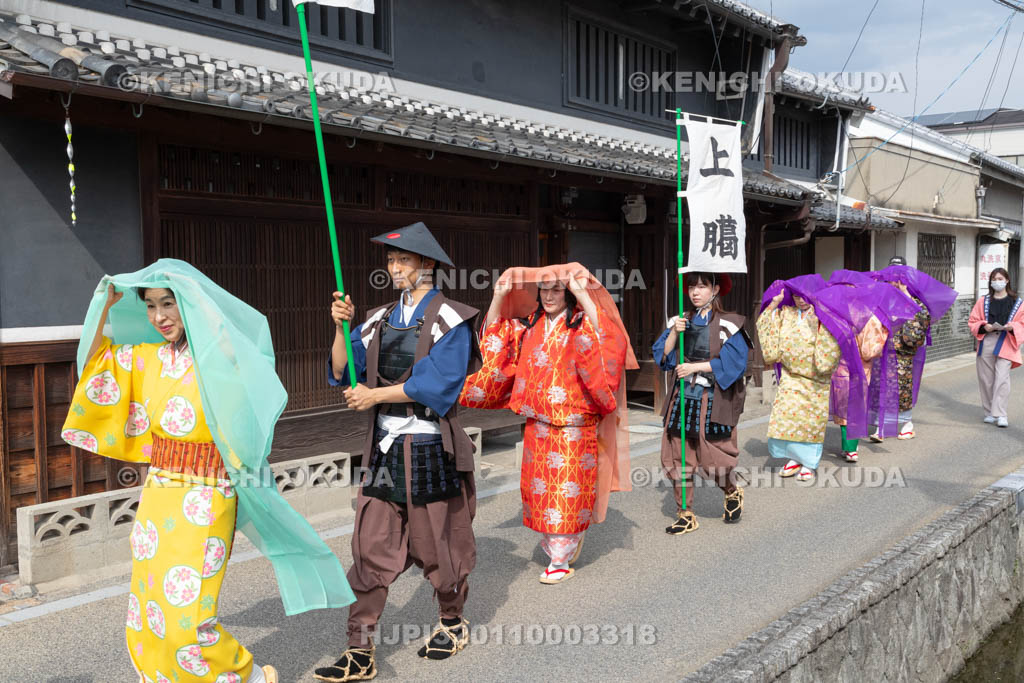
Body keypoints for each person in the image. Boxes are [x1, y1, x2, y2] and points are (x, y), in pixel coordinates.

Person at [62, 259, 356, 683]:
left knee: (189, 612)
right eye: (150, 306)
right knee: (147, 608)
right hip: (159, 489)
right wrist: (104, 307)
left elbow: (253, 384)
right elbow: (94, 365)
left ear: (190, 305)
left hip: (208, 493)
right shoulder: (145, 359)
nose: (159, 316)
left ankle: (248, 675)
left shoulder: (220, 360)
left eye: (170, 303)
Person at [315, 222, 481, 682]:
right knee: (368, 547)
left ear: (427, 265)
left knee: (438, 547)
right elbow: (343, 368)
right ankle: (360, 649)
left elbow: (438, 385)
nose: (395, 268)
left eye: (404, 260)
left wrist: (374, 397)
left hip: (428, 446)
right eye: (390, 261)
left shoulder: (454, 318)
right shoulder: (377, 318)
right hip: (384, 451)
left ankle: (451, 621)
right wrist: (340, 327)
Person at [460, 264, 634, 584]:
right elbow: (495, 339)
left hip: (573, 424)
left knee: (567, 490)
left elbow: (609, 339)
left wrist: (583, 292)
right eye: (544, 289)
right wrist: (499, 295)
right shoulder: (531, 324)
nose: (549, 295)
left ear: (568, 292)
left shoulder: (582, 323)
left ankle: (561, 556)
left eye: (557, 289)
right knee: (540, 490)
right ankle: (561, 540)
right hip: (538, 422)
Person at [653, 272, 751, 535]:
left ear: (715, 289)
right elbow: (663, 357)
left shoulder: (730, 324)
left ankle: (731, 491)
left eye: (702, 286)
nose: (695, 292)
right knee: (678, 455)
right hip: (682, 396)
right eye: (691, 287)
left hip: (712, 397)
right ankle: (685, 513)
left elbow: (735, 364)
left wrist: (694, 366)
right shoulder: (681, 321)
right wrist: (674, 331)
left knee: (713, 456)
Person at [819, 271, 918, 462]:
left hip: (842, 365)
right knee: (852, 406)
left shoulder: (831, 311)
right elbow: (870, 349)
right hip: (858, 366)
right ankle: (850, 448)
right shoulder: (868, 312)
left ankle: (850, 447)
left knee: (845, 407)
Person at [757, 275, 844, 482]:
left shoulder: (823, 316)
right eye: (796, 296)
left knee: (809, 422)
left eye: (804, 296)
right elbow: (765, 324)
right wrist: (775, 303)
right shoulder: (785, 314)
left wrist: (821, 365)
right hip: (790, 376)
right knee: (788, 419)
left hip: (814, 380)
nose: (800, 300)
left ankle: (808, 462)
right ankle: (794, 458)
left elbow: (833, 341)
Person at [869, 264, 957, 441]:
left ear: (902, 283)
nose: (890, 285)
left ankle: (906, 423)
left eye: (893, 282)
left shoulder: (918, 307)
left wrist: (893, 337)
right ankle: (881, 427)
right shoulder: (886, 303)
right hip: (883, 354)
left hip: (901, 356)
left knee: (901, 390)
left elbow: (913, 337)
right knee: (881, 388)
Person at [968, 267, 1024, 427]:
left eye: (1000, 279)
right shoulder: (983, 301)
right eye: (994, 279)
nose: (997, 282)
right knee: (986, 379)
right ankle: (989, 412)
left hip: (1007, 341)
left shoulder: (1017, 302)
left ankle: (1001, 414)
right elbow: (973, 321)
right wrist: (984, 326)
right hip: (987, 341)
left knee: (1002, 378)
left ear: (1007, 280)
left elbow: (1022, 322)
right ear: (990, 282)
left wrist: (1012, 327)